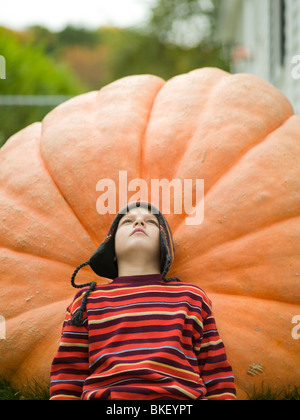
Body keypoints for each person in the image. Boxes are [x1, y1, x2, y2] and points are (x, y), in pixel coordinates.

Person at [50, 201, 236, 400]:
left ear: (164, 245)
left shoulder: (191, 297)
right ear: (110, 249)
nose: (139, 221)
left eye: (151, 222)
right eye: (127, 221)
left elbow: (214, 367)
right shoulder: (88, 301)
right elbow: (69, 373)